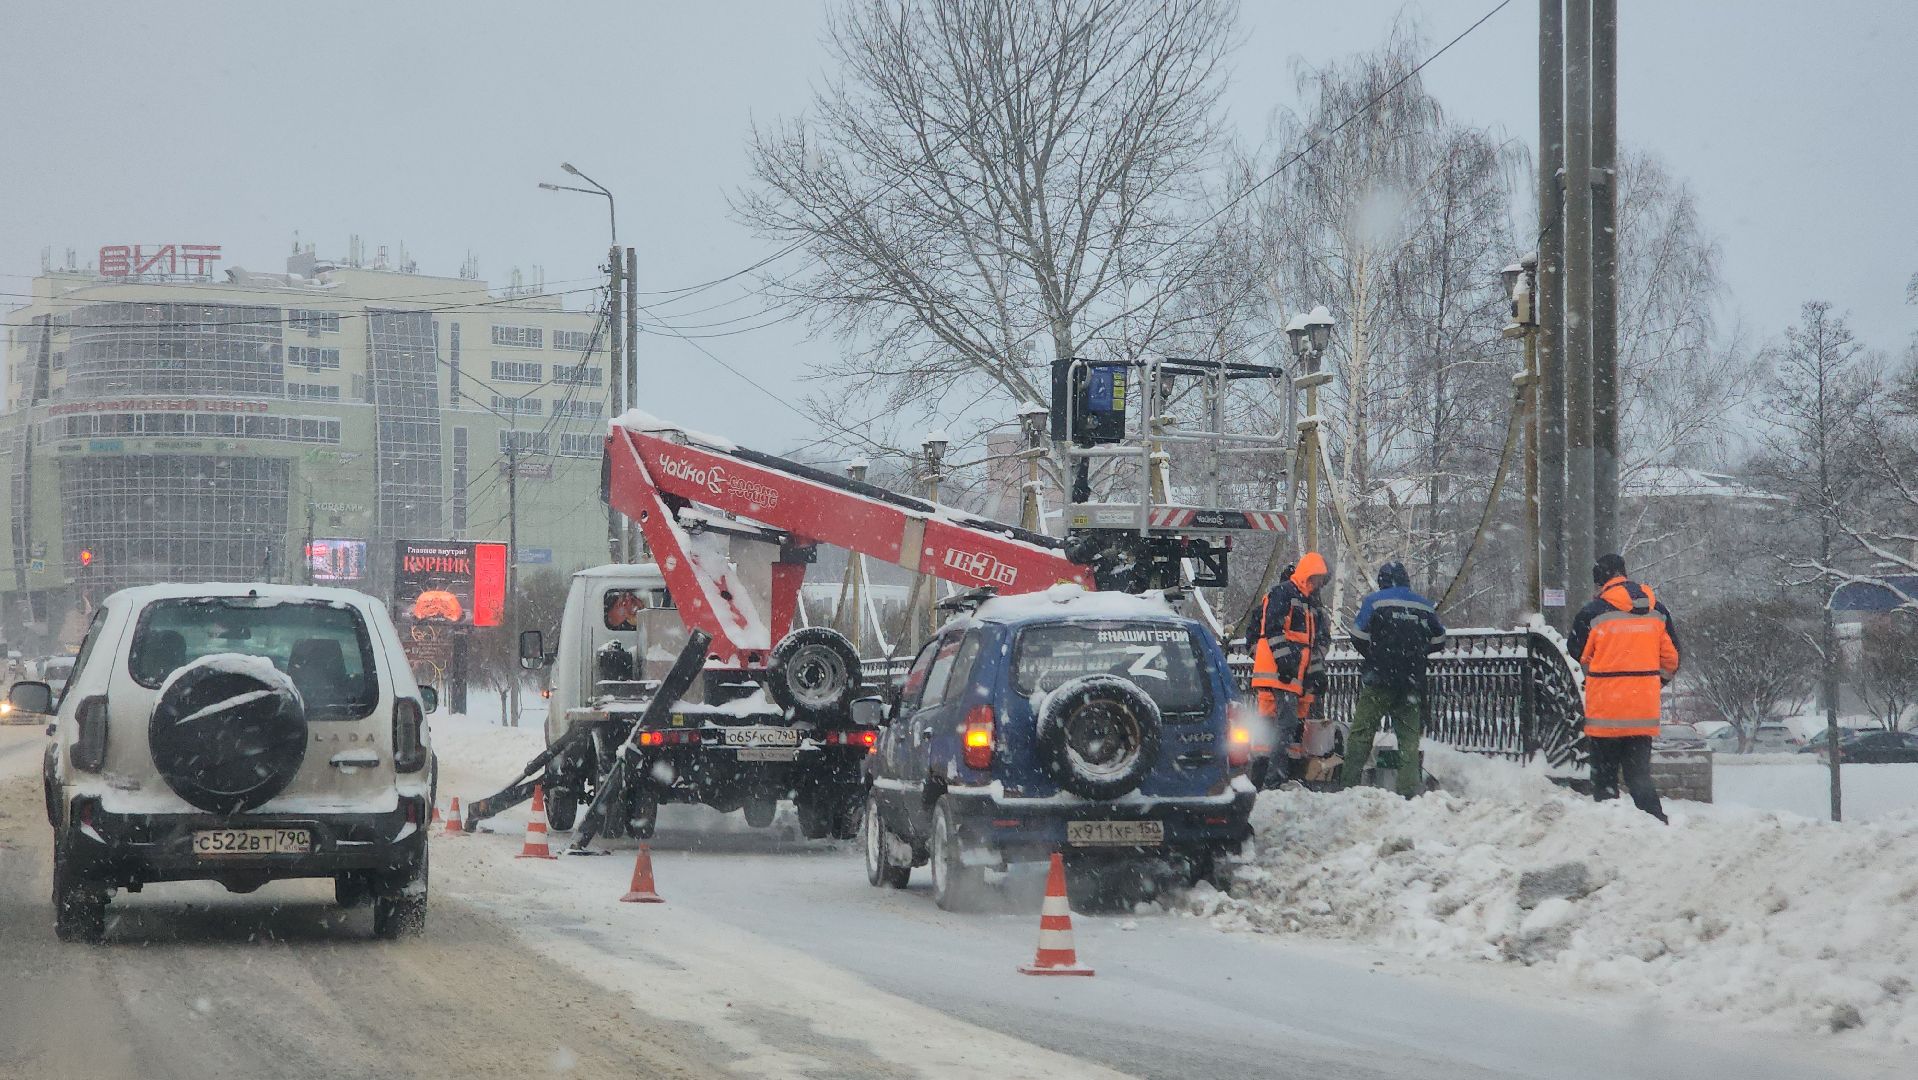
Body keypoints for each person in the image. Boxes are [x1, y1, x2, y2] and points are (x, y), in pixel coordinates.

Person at [1568, 552, 1680, 822]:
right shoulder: (1656, 611)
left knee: (1604, 780)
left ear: (1600, 581)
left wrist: (1601, 672)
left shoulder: (1592, 613)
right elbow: (1671, 659)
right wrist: (1652, 683)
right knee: (1639, 777)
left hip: (1605, 713)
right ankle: (1656, 823)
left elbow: (1576, 651)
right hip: (1642, 713)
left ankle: (1609, 828)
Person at [1342, 561, 1446, 797]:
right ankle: (1408, 790)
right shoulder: (1424, 605)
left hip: (1379, 679)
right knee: (1408, 738)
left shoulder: (1375, 601)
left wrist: (1375, 654)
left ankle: (1348, 786)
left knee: (1361, 733)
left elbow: (1357, 635)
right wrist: (1418, 652)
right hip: (1411, 681)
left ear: (1383, 581)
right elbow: (1439, 640)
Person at [1246, 552, 1330, 785]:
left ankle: (1275, 777)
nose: (1319, 584)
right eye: (1317, 578)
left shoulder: (1308, 603)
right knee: (1286, 724)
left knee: (1285, 726)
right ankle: (1273, 780)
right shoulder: (1286, 595)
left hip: (1292, 674)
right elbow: (1274, 630)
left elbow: (1311, 644)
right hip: (1281, 673)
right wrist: (1285, 661)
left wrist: (1314, 672)